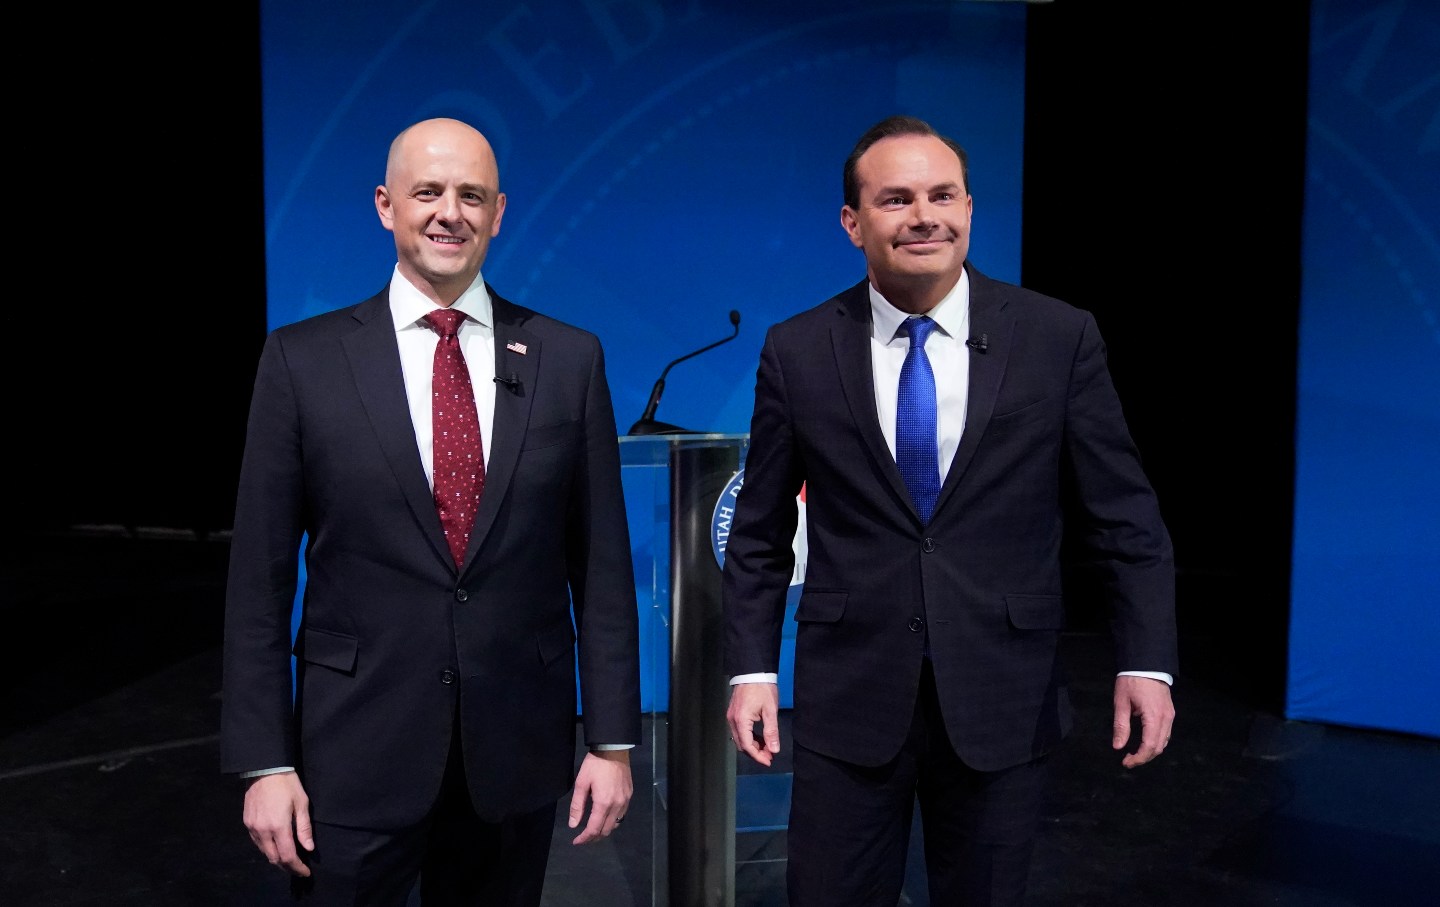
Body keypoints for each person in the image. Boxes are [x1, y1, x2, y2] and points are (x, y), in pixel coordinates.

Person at [722, 114, 1178, 906]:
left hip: (1004, 692)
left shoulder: (1057, 337)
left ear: (969, 209)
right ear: (852, 222)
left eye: (942, 195)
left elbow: (1124, 515)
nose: (923, 214)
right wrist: (753, 666)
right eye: (895, 199)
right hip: (850, 698)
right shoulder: (797, 349)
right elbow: (760, 530)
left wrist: (1147, 657)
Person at [221, 116, 641, 906]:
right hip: (352, 753)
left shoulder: (568, 358)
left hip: (513, 750)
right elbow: (258, 582)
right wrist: (264, 762)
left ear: (500, 211)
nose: (451, 212)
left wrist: (611, 742)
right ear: (386, 206)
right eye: (428, 192)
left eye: (471, 195)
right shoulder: (301, 361)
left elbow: (603, 568)